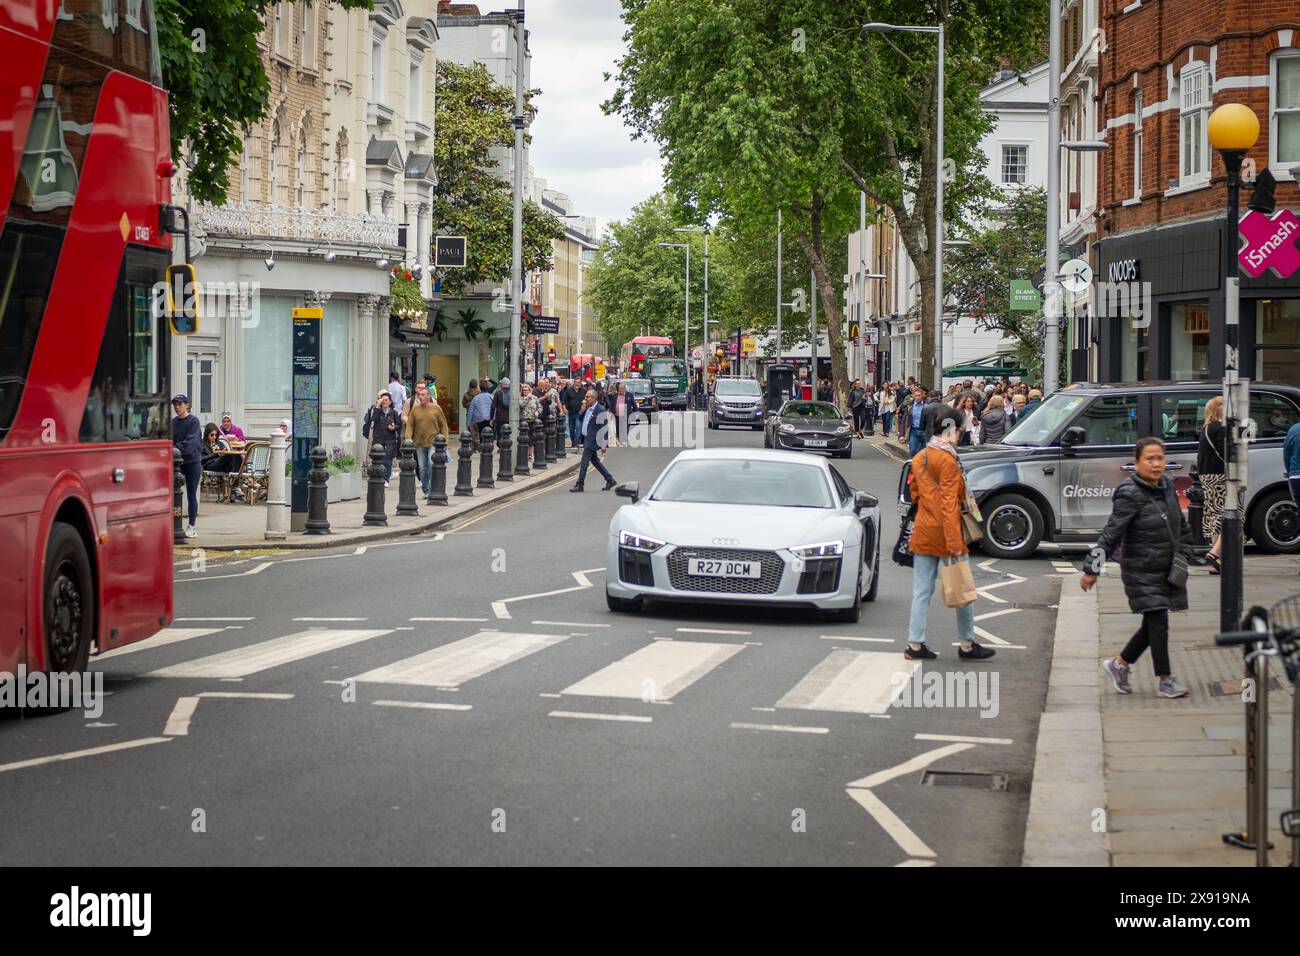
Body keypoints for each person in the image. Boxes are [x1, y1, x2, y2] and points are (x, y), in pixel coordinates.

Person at [1085, 437, 1193, 699]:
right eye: (1150, 459)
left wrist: (1186, 551)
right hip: (1141, 569)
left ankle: (1119, 664)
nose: (1156, 464)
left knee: (1152, 625)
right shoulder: (1129, 492)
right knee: (1159, 621)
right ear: (1137, 463)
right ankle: (1165, 680)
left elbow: (1179, 524)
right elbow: (1111, 533)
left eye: (1160, 458)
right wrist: (1092, 569)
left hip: (1166, 568)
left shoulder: (1167, 485)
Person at [904, 405, 994, 662]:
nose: (961, 435)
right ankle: (967, 643)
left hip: (923, 530)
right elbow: (949, 505)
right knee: (963, 589)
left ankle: (915, 643)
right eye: (960, 430)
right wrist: (955, 543)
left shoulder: (920, 457)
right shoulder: (948, 461)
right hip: (947, 534)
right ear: (950, 430)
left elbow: (916, 495)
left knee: (921, 592)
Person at [1193, 396, 1227, 574]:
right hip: (1220, 475)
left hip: (1207, 476)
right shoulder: (1220, 428)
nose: (1225, 406)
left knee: (1214, 516)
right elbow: (1227, 453)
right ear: (1216, 409)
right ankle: (1215, 553)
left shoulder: (1206, 428)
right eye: (1221, 404)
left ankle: (1218, 560)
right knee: (1234, 515)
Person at [404, 381, 449, 497]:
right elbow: (410, 425)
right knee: (422, 468)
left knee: (430, 463)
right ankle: (426, 489)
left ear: (429, 396)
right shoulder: (415, 410)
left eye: (423, 395)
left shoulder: (436, 408)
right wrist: (408, 439)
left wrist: (445, 440)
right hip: (419, 443)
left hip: (433, 442)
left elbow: (443, 425)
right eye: (419, 395)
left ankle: (432, 488)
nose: (421, 397)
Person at [571, 389, 617, 493]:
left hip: (593, 439)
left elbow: (604, 427)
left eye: (587, 397)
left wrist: (603, 444)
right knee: (595, 461)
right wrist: (582, 409)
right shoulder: (587, 407)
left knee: (584, 462)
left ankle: (580, 484)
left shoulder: (600, 409)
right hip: (587, 438)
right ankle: (610, 479)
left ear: (593, 398)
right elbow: (580, 418)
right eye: (585, 397)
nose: (585, 399)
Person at [171, 394, 202, 538]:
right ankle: (173, 524)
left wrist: (175, 450)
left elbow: (191, 443)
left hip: (192, 462)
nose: (177, 407)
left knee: (191, 494)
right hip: (177, 463)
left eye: (180, 404)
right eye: (175, 405)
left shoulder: (193, 421)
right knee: (172, 494)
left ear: (187, 405)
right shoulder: (173, 422)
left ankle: (192, 526)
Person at [362, 390, 402, 485]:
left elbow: (399, 425)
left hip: (390, 439)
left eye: (386, 400)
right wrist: (377, 406)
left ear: (390, 402)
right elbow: (373, 420)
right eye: (382, 400)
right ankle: (380, 476)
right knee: (379, 459)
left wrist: (394, 427)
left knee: (387, 460)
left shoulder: (394, 413)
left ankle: (386, 479)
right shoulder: (377, 411)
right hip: (378, 438)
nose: (384, 402)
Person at [467, 381, 494, 450]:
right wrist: (494, 418)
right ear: (487, 388)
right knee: (490, 433)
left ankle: (483, 447)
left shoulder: (476, 398)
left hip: (480, 418)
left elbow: (471, 410)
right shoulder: (491, 396)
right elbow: (495, 408)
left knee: (481, 432)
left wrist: (468, 422)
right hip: (489, 418)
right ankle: (489, 446)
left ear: (480, 389)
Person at [560, 376, 584, 447]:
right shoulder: (568, 391)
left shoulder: (583, 391)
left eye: (578, 382)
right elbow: (564, 400)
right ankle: (573, 442)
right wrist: (564, 407)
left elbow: (586, 399)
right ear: (573, 383)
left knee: (578, 427)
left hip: (580, 412)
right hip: (570, 412)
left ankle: (576, 442)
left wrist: (584, 405)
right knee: (571, 428)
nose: (577, 384)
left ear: (580, 383)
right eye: (576, 382)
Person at [906, 385, 929, 456]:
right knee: (912, 451)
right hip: (914, 431)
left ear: (922, 395)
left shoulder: (927, 405)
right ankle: (912, 466)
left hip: (924, 431)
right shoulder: (911, 405)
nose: (917, 397)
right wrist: (903, 434)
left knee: (925, 452)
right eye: (916, 395)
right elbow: (905, 420)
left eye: (919, 395)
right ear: (913, 396)